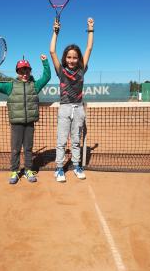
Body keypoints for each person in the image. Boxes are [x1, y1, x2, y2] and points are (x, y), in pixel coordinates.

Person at [0, 54, 51, 184]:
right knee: (15, 149)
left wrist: (45, 62)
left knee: (28, 148)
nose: (24, 73)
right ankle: (14, 171)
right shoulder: (10, 86)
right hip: (16, 124)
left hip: (30, 123)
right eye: (21, 70)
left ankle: (28, 170)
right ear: (17, 72)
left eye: (27, 70)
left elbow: (46, 76)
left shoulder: (35, 85)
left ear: (30, 71)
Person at [50, 17, 94, 182]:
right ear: (65, 58)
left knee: (76, 140)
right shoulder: (60, 70)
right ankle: (59, 168)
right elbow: (52, 51)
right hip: (64, 108)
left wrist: (90, 29)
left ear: (79, 59)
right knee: (61, 141)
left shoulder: (82, 69)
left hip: (79, 108)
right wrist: (55, 32)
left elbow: (89, 47)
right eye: (69, 57)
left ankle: (76, 166)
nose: (72, 60)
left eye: (75, 57)